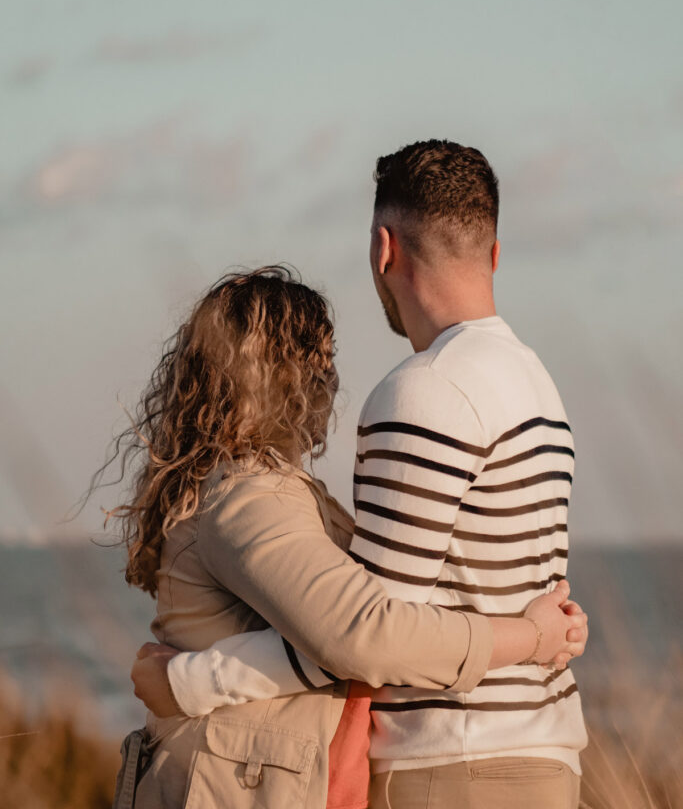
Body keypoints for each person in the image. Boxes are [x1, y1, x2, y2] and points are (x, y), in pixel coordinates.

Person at [130, 142, 588, 809]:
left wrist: (195, 681)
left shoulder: (424, 391)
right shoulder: (539, 387)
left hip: (451, 759)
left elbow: (367, 635)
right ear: (492, 252)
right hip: (542, 753)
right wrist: (542, 634)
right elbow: (370, 626)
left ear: (383, 249)